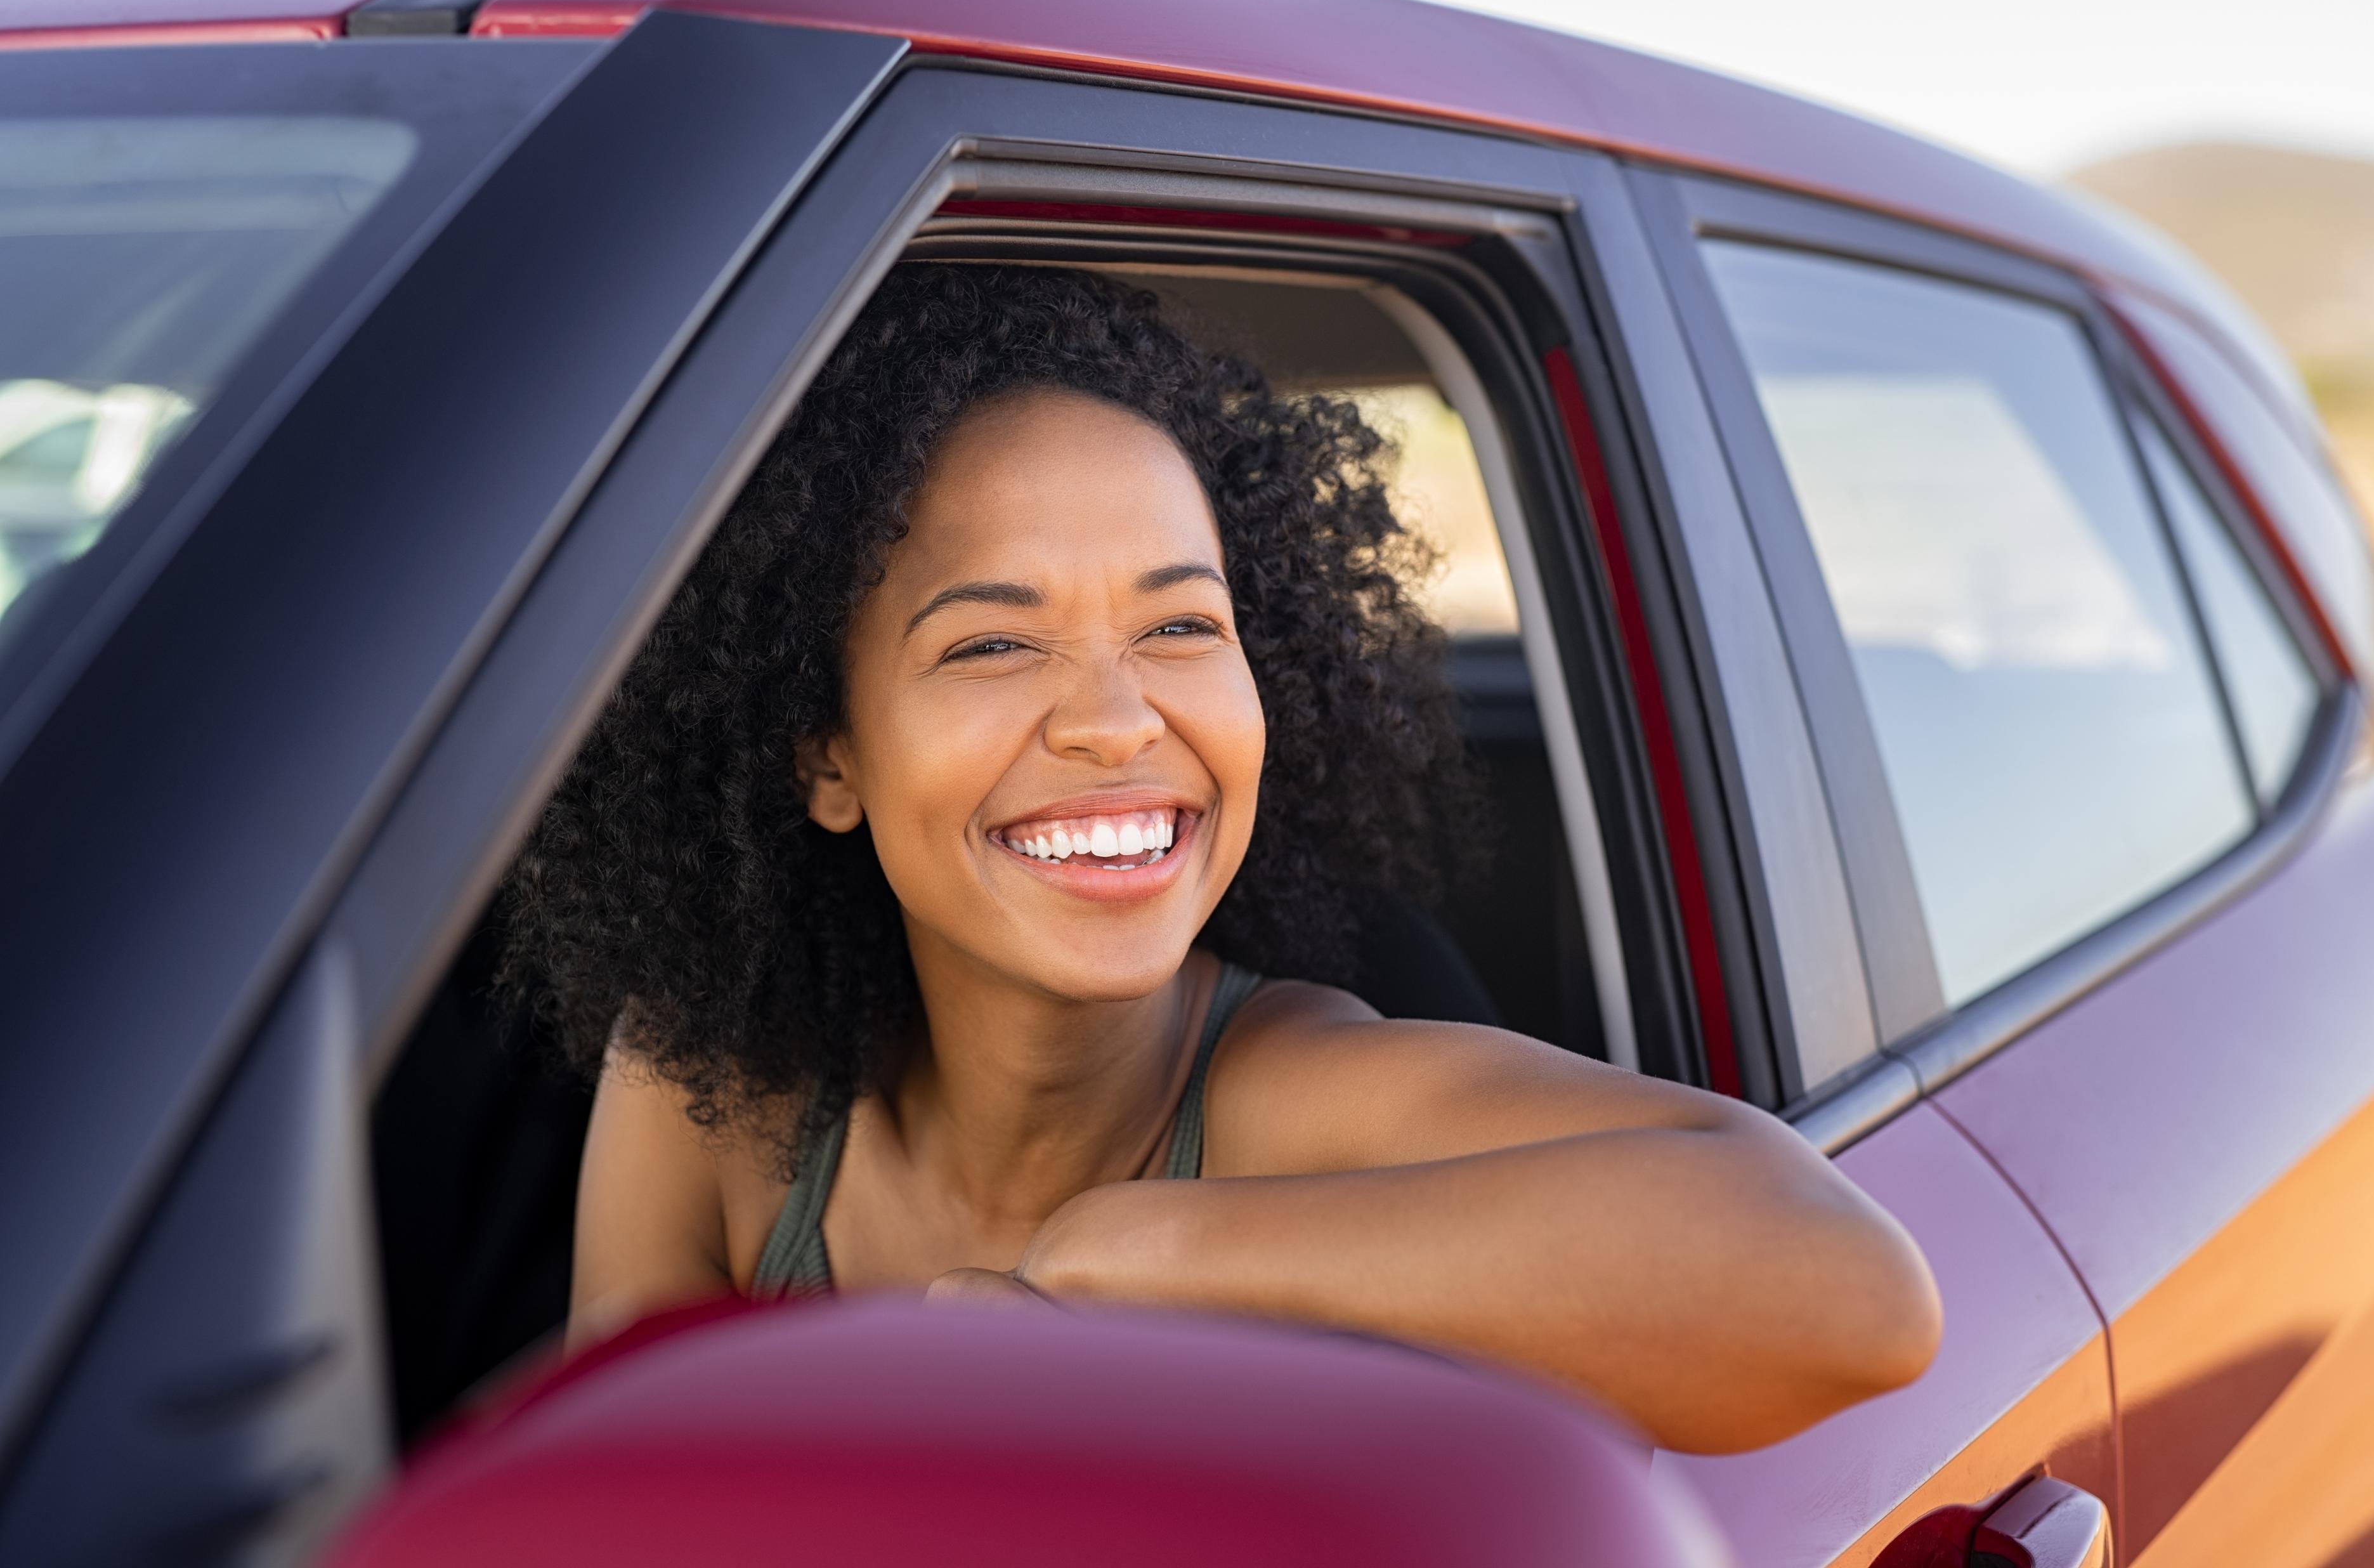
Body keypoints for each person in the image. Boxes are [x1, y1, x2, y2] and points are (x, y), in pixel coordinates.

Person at [503, 263, 1939, 1454]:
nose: (1119, 718)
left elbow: (1854, 1284)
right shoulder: (709, 1096)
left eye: (1181, 624)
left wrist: (1127, 1261)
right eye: (993, 641)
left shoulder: (1292, 1094)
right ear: (826, 755)